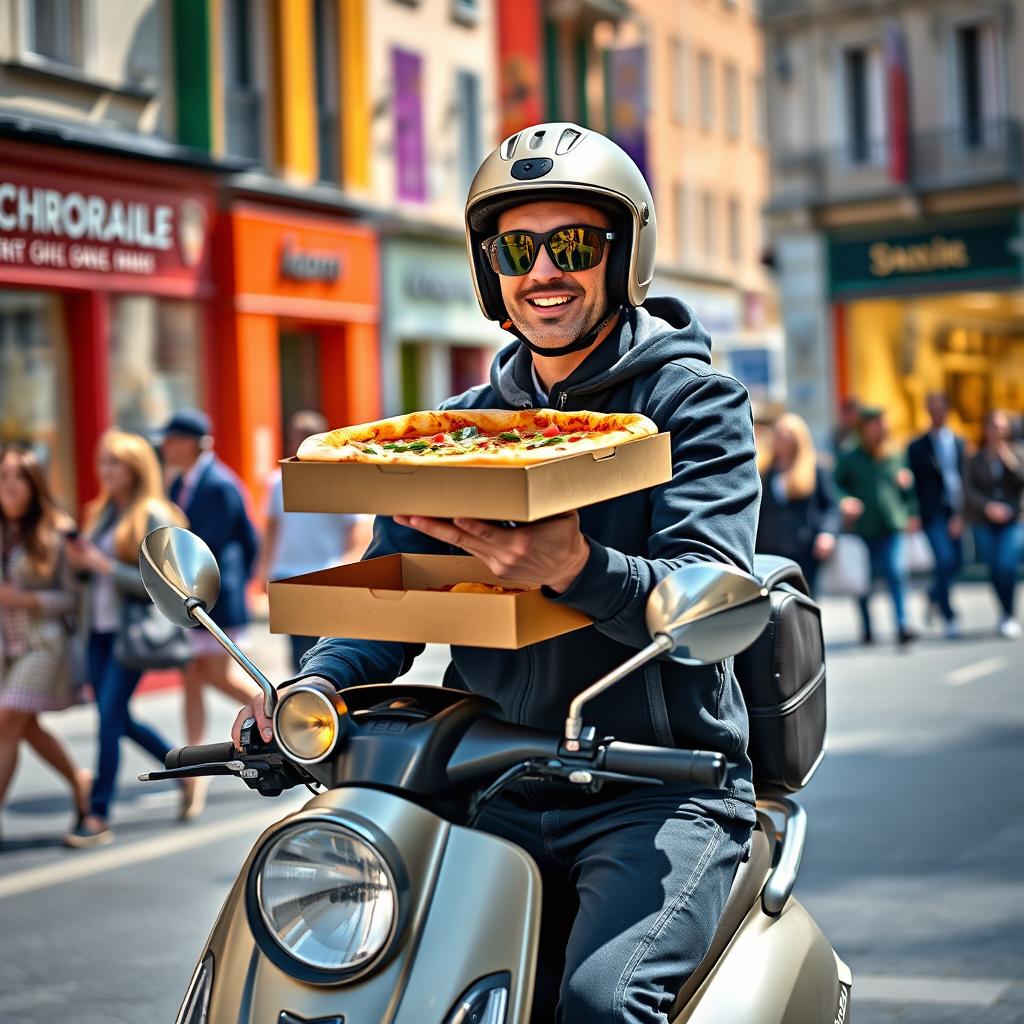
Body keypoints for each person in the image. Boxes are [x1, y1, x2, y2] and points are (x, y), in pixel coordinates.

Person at [234, 124, 761, 1024]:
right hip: (496, 777)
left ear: (622, 256)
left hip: (659, 786)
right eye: (518, 248)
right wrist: (312, 686)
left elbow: (706, 586)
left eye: (574, 245)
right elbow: (390, 594)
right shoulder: (455, 427)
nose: (544, 271)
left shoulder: (694, 402)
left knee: (600, 1004)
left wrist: (579, 568)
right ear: (490, 273)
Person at [63, 431, 193, 847]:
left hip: (130, 635)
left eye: (113, 463)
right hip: (98, 632)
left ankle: (97, 814)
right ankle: (183, 770)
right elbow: (89, 577)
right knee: (117, 718)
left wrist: (104, 567)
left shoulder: (153, 513)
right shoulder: (101, 512)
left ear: (135, 467)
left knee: (108, 719)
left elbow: (164, 583)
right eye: (101, 462)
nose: (104, 471)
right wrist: (80, 565)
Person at [162, 408, 258, 819]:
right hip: (192, 602)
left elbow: (238, 543)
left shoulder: (218, 484)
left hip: (216, 601)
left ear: (190, 442)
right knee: (192, 677)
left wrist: (240, 588)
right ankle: (194, 773)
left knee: (212, 674)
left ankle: (278, 711)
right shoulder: (181, 482)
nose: (164, 446)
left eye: (170, 438)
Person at [0, 448, 90, 843]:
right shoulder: (3, 531)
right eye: (2, 477)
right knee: (25, 727)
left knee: (6, 722)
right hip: (8, 646)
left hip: (44, 643)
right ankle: (79, 780)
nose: (8, 485)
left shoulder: (56, 529)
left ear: (33, 484)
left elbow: (73, 599)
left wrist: (27, 599)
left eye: (17, 477)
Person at [257, 410, 372, 674]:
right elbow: (272, 528)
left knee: (325, 650)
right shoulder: (278, 481)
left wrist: (345, 569)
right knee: (298, 652)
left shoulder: (338, 481)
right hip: (289, 575)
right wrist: (264, 570)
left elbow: (360, 530)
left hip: (324, 576)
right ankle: (302, 706)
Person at [834, 407, 919, 645]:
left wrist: (911, 511)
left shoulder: (894, 453)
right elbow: (836, 485)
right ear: (865, 427)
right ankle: (867, 627)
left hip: (892, 524)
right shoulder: (850, 456)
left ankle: (903, 625)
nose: (882, 429)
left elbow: (909, 489)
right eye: (877, 424)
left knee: (896, 572)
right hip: (862, 528)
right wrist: (845, 500)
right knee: (863, 580)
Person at [755, 412, 839, 595]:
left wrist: (827, 533)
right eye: (779, 434)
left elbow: (831, 507)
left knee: (805, 598)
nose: (782, 439)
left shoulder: (816, 469)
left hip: (805, 547)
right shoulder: (765, 471)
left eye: (788, 434)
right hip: (771, 548)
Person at [907, 393, 967, 637]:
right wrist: (913, 513)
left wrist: (962, 514)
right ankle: (948, 614)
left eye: (940, 409)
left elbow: (965, 478)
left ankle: (933, 594)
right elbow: (913, 483)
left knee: (958, 562)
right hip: (932, 513)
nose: (936, 414)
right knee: (943, 559)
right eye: (932, 410)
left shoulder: (961, 443)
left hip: (958, 509)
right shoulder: (917, 446)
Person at [963, 410, 1024, 639]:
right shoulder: (975, 457)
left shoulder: (1018, 452)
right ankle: (1004, 612)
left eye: (1001, 427)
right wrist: (988, 506)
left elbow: (1021, 481)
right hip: (984, 520)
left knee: (1006, 564)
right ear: (985, 429)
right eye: (993, 427)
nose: (997, 432)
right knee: (994, 568)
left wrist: (1007, 459)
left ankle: (1009, 613)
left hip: (1014, 519)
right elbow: (969, 490)